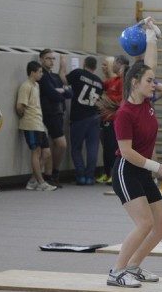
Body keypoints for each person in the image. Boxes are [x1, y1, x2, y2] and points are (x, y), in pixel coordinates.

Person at [108, 17, 162, 287]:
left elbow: (150, 65)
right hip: (127, 171)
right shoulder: (125, 113)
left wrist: (151, 35)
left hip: (142, 171)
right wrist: (157, 167)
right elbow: (126, 152)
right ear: (135, 82)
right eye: (149, 81)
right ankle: (117, 271)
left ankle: (134, 266)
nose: (154, 83)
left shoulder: (147, 102)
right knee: (145, 224)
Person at [62, 55, 104, 185]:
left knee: (76, 148)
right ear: (95, 67)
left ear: (84, 63)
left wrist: (63, 65)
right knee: (92, 148)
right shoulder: (100, 82)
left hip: (79, 117)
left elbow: (63, 80)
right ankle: (90, 177)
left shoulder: (78, 73)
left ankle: (81, 176)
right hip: (94, 117)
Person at [16, 61, 56, 191]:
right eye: (39, 72)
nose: (41, 74)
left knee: (46, 153)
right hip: (31, 124)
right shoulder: (25, 86)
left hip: (39, 123)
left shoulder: (36, 86)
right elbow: (20, 106)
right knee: (36, 151)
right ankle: (41, 182)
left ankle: (33, 180)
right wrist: (26, 117)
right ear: (32, 72)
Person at [39, 49, 72, 188]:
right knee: (61, 144)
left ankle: (51, 174)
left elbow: (70, 93)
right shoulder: (43, 76)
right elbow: (52, 94)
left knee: (54, 145)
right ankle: (53, 173)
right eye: (48, 58)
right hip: (49, 114)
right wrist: (61, 92)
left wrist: (62, 91)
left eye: (53, 59)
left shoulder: (55, 76)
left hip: (58, 113)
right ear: (41, 59)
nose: (51, 61)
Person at [97, 55, 129, 185]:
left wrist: (108, 101)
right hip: (106, 118)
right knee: (107, 147)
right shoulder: (113, 80)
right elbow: (101, 86)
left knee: (114, 147)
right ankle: (107, 173)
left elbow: (122, 100)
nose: (111, 66)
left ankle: (114, 174)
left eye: (113, 63)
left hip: (115, 119)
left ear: (119, 64)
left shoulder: (124, 81)